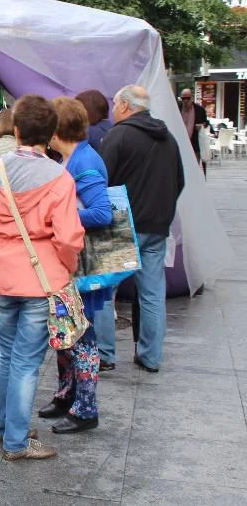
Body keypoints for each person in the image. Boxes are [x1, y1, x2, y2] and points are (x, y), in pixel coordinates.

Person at [0, 94, 85, 461]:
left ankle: (0, 426)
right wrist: (67, 268)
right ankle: (16, 442)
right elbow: (68, 238)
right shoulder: (60, 178)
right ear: (50, 135)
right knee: (26, 363)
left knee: (7, 355)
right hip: (39, 281)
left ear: (16, 131)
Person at [38, 97, 113, 433]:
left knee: (82, 336)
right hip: (72, 265)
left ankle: (85, 408)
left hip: (82, 267)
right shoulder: (74, 158)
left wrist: (60, 216)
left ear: (56, 131)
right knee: (68, 332)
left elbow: (101, 212)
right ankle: (66, 395)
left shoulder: (84, 162)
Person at [96, 85, 184, 373]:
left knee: (105, 291)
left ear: (124, 105)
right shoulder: (168, 138)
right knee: (152, 294)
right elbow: (179, 181)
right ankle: (150, 356)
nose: (113, 109)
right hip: (157, 224)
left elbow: (102, 180)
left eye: (115, 104)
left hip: (122, 222)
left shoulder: (118, 135)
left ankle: (105, 354)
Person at [179, 88, 208, 168]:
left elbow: (205, 123)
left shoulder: (200, 110)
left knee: (194, 167)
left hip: (195, 144)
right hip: (180, 144)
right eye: (183, 98)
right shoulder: (177, 109)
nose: (185, 101)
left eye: (187, 98)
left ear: (192, 98)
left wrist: (202, 126)